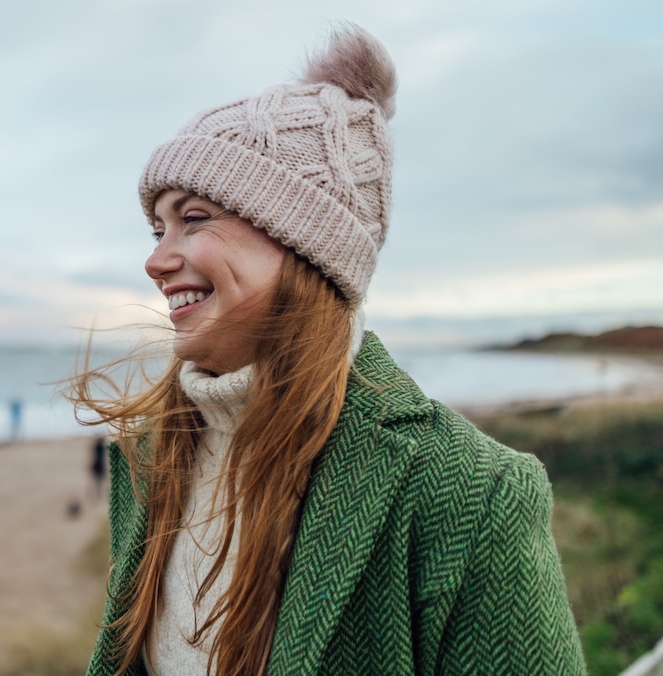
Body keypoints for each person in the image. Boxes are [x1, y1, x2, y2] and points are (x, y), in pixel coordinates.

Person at [73, 25, 586, 676]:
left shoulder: (472, 497)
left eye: (193, 218)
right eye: (156, 227)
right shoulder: (149, 452)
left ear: (305, 243)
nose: (155, 259)